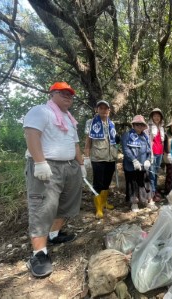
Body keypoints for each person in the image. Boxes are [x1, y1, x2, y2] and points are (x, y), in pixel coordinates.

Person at [23, 82, 86, 278]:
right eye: (63, 93)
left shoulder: (69, 119)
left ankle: (54, 235)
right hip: (47, 166)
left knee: (65, 203)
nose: (68, 96)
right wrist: (40, 162)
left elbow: (74, 144)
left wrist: (81, 164)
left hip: (69, 166)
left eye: (71, 94)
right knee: (43, 207)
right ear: (52, 93)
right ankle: (38, 254)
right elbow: (31, 134)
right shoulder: (41, 111)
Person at [83, 100, 118, 219]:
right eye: (101, 108)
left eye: (106, 108)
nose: (104, 110)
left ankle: (104, 203)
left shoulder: (111, 123)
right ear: (97, 109)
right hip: (98, 157)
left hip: (110, 157)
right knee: (98, 183)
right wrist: (86, 157)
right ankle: (98, 209)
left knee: (107, 182)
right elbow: (88, 141)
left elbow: (113, 140)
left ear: (109, 110)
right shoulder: (91, 122)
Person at [122, 115, 157, 212]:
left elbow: (149, 151)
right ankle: (134, 203)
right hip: (131, 166)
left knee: (146, 183)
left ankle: (149, 201)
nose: (139, 126)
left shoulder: (145, 137)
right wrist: (133, 160)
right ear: (133, 125)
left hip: (143, 166)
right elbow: (126, 149)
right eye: (137, 124)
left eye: (141, 125)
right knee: (132, 184)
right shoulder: (127, 135)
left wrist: (148, 160)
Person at [145, 108, 165, 202]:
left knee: (156, 173)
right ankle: (152, 193)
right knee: (152, 174)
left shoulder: (161, 127)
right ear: (152, 117)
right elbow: (146, 140)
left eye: (158, 116)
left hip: (160, 153)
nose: (156, 117)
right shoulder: (148, 127)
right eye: (154, 116)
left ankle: (155, 190)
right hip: (152, 153)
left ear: (161, 117)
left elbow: (162, 141)